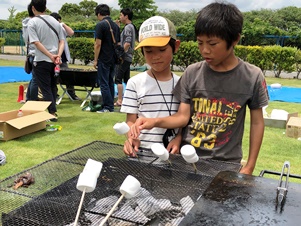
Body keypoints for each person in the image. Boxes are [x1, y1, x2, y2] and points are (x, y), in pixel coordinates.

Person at [131, 2, 269, 175]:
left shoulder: (252, 76)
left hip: (226, 164)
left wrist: (250, 165)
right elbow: (183, 117)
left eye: (212, 44)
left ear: (234, 40)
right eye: (200, 43)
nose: (205, 50)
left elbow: (257, 123)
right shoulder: (192, 72)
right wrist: (157, 124)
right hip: (186, 160)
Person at [120, 16, 182, 156]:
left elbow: (184, 120)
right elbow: (131, 121)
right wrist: (131, 137)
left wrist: (179, 138)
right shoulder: (135, 83)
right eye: (149, 51)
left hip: (173, 156)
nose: (155, 56)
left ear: (175, 46)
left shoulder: (183, 84)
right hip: (142, 153)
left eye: (161, 50)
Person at [27, 0, 65, 122]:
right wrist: (57, 55)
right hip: (55, 61)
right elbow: (62, 41)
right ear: (45, 7)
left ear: (33, 8)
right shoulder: (55, 21)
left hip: (42, 60)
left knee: (45, 88)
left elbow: (36, 43)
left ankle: (52, 113)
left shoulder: (32, 22)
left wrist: (50, 55)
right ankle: (53, 112)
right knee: (53, 86)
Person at [93, 4, 120, 113]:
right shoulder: (115, 25)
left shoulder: (101, 25)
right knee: (110, 82)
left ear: (99, 14)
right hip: (113, 58)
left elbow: (98, 44)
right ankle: (110, 105)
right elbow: (118, 43)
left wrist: (95, 59)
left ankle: (107, 107)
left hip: (104, 57)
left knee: (103, 83)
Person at [50, 12, 81, 101]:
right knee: (53, 76)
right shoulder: (48, 28)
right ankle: (54, 94)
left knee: (68, 76)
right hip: (52, 56)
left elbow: (71, 32)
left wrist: (63, 24)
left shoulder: (61, 28)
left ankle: (72, 94)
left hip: (62, 57)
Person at [114, 8, 136, 107]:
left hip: (125, 57)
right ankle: (129, 99)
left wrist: (120, 54)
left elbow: (127, 42)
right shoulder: (131, 27)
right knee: (127, 79)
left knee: (118, 78)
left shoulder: (128, 28)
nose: (120, 17)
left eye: (121, 15)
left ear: (126, 16)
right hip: (129, 57)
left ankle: (120, 100)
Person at [22, 3, 38, 101]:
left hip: (30, 53)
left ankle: (28, 98)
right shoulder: (34, 23)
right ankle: (32, 100)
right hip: (36, 53)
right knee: (36, 80)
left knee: (34, 78)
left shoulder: (25, 23)